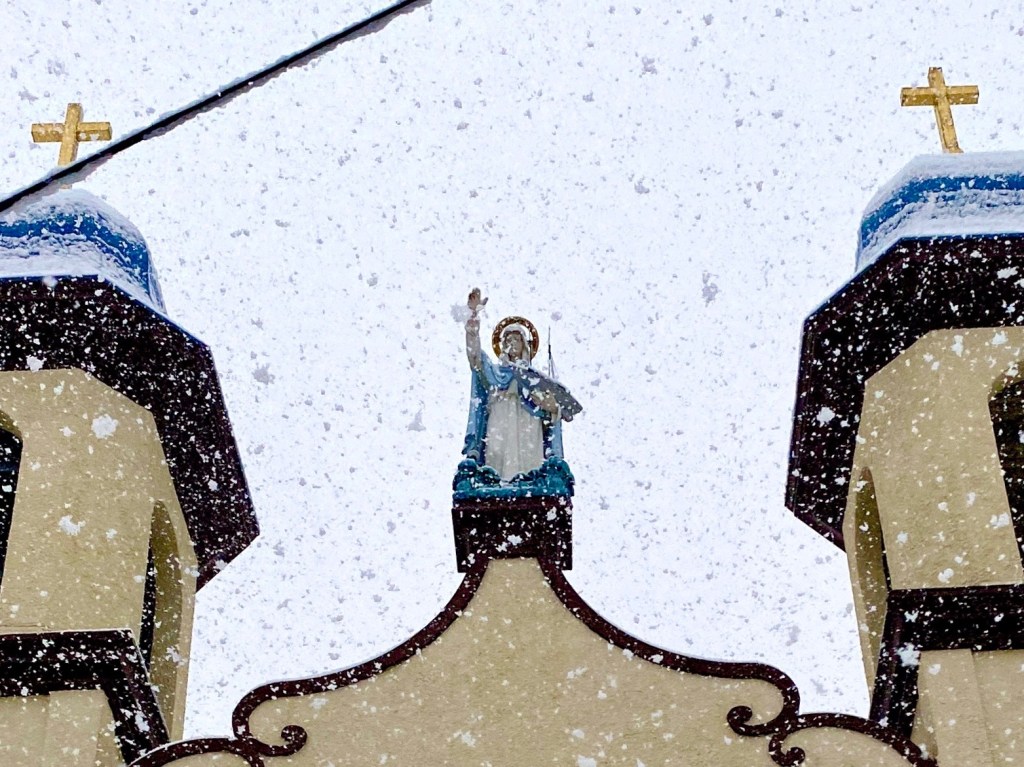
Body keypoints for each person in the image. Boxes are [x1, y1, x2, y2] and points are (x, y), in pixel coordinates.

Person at [463, 288, 579, 480]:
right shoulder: (494, 373)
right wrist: (473, 321)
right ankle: (497, 485)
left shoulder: (534, 379)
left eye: (516, 339)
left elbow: (552, 413)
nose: (512, 343)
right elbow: (474, 358)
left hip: (528, 422)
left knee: (529, 464)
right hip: (500, 418)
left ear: (524, 344)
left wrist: (551, 408)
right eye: (508, 339)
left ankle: (528, 485)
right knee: (496, 459)